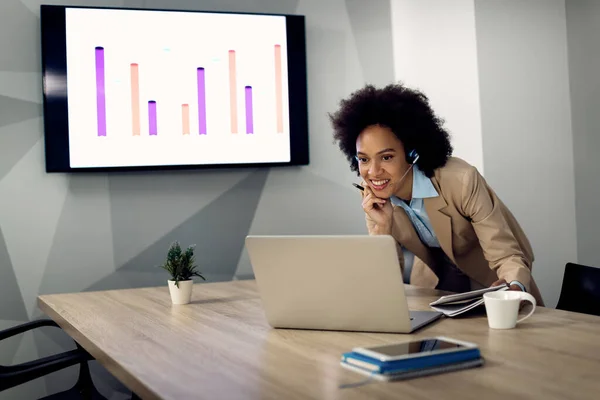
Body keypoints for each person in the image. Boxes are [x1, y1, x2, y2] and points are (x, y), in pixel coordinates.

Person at [329, 83, 544, 306]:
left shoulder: (461, 181)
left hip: (489, 278)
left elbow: (506, 255)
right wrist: (383, 228)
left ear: (412, 153)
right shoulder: (373, 195)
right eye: (363, 159)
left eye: (386, 157)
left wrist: (514, 288)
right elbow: (384, 281)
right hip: (436, 282)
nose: (373, 172)